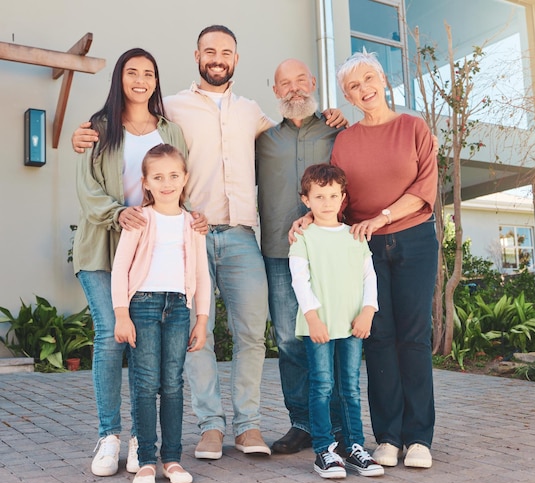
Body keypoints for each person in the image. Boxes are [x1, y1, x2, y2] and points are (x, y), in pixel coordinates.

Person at [73, 28, 346, 460]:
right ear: (197, 55)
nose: (218, 59)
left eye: (226, 52)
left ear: (236, 59)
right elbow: (132, 122)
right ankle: (210, 427)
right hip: (189, 237)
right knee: (197, 337)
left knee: (252, 334)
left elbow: (291, 129)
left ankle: (248, 426)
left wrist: (330, 116)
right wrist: (85, 133)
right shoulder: (173, 109)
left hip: (240, 236)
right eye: (210, 51)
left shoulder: (253, 112)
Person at [73, 48, 201, 477]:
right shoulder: (98, 128)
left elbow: (184, 181)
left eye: (149, 73)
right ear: (120, 79)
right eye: (132, 72)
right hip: (104, 246)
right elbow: (88, 189)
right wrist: (117, 213)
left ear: (156, 80)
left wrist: (193, 216)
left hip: (152, 254)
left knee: (149, 354)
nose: (141, 80)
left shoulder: (171, 130)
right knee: (111, 333)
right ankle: (109, 434)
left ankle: (141, 437)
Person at [330, 50, 439, 469]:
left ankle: (419, 439)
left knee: (412, 337)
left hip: (413, 240)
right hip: (367, 247)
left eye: (369, 79)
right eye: (353, 87)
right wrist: (310, 219)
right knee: (378, 338)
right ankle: (388, 438)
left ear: (383, 80)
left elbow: (425, 186)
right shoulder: (345, 140)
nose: (364, 89)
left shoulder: (413, 127)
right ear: (348, 97)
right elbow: (337, 197)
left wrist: (383, 217)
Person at [256, 59, 344, 454]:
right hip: (279, 251)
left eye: (299, 81)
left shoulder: (336, 130)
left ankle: (339, 425)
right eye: (284, 83)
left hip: (329, 251)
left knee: (332, 336)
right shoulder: (261, 140)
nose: (293, 89)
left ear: (313, 83)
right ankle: (303, 424)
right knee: (290, 341)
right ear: (275, 91)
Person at [112, 144, 210, 483]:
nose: (166, 183)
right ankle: (146, 461)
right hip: (143, 306)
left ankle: (172, 458)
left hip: (179, 309)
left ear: (184, 179)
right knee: (145, 383)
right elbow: (120, 268)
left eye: (173, 176)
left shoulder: (192, 223)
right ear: (146, 183)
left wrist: (201, 319)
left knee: (172, 384)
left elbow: (201, 273)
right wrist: (122, 315)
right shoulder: (140, 219)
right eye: (158, 177)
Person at [289, 163, 383, 479]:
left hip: (353, 324)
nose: (327, 202)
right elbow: (299, 281)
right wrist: (313, 318)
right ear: (306, 199)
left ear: (342, 197)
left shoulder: (354, 235)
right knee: (322, 386)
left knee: (350, 388)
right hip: (320, 326)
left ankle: (355, 447)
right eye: (319, 196)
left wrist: (368, 311)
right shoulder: (303, 237)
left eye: (333, 195)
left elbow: (369, 276)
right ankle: (324, 451)